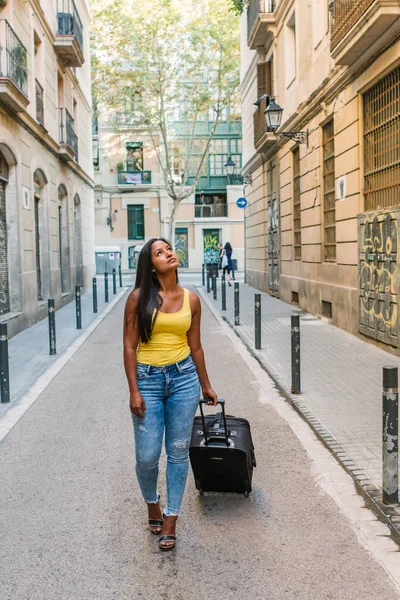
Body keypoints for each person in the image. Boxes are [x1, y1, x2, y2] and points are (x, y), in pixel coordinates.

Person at [123, 237, 218, 551]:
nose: (168, 254)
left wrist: (206, 385)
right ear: (151, 266)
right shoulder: (139, 298)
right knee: (147, 456)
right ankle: (152, 501)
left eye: (169, 249)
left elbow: (196, 346)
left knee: (178, 451)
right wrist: (134, 390)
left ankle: (171, 518)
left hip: (183, 380)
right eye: (159, 252)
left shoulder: (191, 299)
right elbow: (129, 346)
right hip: (148, 381)